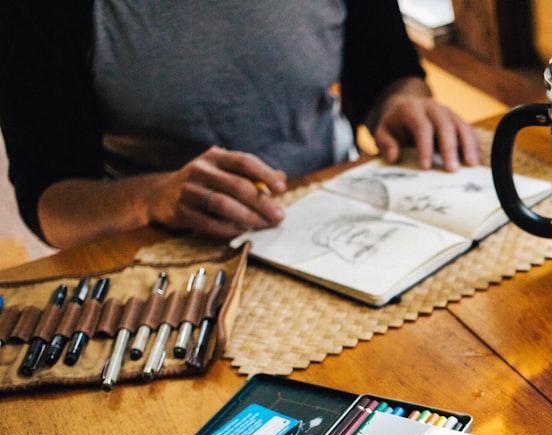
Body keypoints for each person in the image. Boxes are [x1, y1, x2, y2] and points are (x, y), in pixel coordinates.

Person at [0, 1, 482, 250]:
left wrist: (400, 106)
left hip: (329, 210)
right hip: (162, 253)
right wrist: (153, 197)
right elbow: (50, 201)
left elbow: (388, 73)